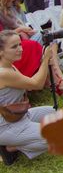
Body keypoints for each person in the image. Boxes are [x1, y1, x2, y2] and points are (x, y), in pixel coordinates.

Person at [0, 0, 63, 92]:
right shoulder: (2, 11)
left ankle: (53, 80)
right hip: (10, 44)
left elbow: (25, 25)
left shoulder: (17, 9)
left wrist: (27, 30)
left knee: (47, 38)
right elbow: (3, 37)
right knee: (44, 39)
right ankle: (57, 77)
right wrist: (20, 29)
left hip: (23, 38)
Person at [0, 31, 55, 166]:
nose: (20, 49)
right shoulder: (3, 73)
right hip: (6, 125)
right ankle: (11, 147)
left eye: (20, 44)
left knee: (54, 112)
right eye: (14, 47)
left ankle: (19, 140)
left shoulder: (10, 66)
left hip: (20, 116)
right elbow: (37, 84)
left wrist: (44, 61)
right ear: (1, 52)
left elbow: (29, 86)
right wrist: (45, 59)